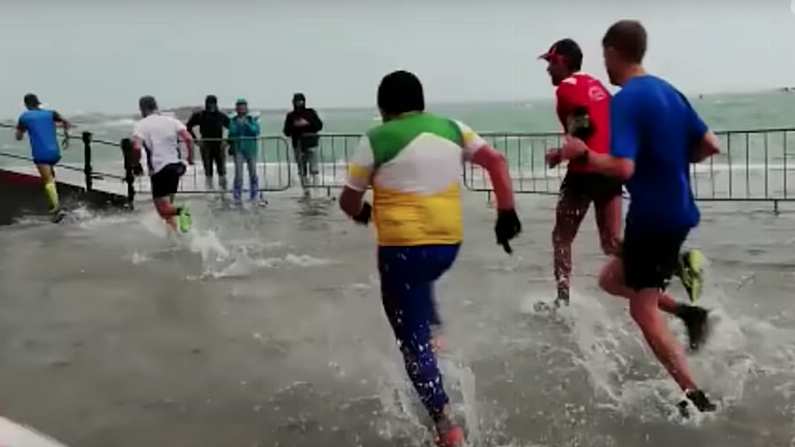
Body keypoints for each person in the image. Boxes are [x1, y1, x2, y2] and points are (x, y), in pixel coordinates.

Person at [339, 70, 521, 447]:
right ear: (421, 102)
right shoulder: (454, 127)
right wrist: (506, 214)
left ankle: (445, 424)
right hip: (447, 246)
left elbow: (348, 198)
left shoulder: (377, 137)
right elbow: (498, 163)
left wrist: (361, 213)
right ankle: (435, 336)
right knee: (422, 284)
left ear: (384, 107)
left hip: (402, 250)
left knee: (411, 340)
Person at [559, 20, 720, 413]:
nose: (605, 65)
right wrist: (668, 161)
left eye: (605, 56)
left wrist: (580, 155)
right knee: (610, 278)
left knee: (641, 308)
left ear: (614, 51)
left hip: (654, 217)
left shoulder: (628, 99)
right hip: (678, 211)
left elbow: (622, 168)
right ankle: (689, 312)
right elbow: (709, 145)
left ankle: (695, 397)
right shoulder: (669, 91)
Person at [541, 39, 706, 307]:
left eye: (550, 62)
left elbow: (583, 128)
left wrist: (561, 155)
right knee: (612, 242)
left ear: (562, 62)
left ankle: (562, 300)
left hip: (585, 172)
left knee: (561, 237)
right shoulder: (598, 86)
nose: (548, 69)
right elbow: (605, 124)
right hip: (609, 169)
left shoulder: (566, 90)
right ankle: (678, 263)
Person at [131, 96, 194, 233]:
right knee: (167, 205)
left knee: (163, 210)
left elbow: (136, 147)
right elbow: (189, 139)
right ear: (156, 106)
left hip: (160, 170)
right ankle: (174, 235)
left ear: (142, 109)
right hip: (177, 167)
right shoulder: (171, 121)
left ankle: (182, 211)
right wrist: (190, 158)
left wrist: (135, 164)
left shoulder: (141, 125)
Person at [15, 93, 71, 222]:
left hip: (41, 153)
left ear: (26, 104)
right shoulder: (51, 113)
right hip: (55, 152)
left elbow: (18, 137)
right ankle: (54, 202)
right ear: (38, 103)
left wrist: (22, 131)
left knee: (48, 181)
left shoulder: (24, 117)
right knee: (50, 174)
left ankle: (57, 209)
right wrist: (66, 137)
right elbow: (66, 123)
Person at [186, 95, 230, 191]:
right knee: (208, 170)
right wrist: (196, 140)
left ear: (216, 103)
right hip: (205, 145)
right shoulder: (200, 115)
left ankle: (223, 190)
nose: (211, 105)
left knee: (221, 170)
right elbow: (188, 127)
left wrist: (227, 141)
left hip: (219, 144)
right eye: (209, 103)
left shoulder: (221, 116)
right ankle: (210, 191)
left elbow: (233, 128)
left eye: (213, 103)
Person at [228, 98, 264, 206]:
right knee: (238, 174)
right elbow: (231, 133)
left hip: (251, 149)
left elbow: (256, 131)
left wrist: (247, 124)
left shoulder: (252, 119)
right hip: (238, 149)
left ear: (246, 108)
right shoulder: (233, 120)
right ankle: (237, 196)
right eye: (239, 106)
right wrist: (239, 125)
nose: (241, 108)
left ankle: (254, 195)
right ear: (236, 108)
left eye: (243, 106)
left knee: (253, 173)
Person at [283, 93, 323, 190]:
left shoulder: (311, 112)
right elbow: (286, 131)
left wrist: (307, 124)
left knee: (314, 169)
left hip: (312, 144)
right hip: (298, 145)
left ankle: (317, 189)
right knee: (302, 170)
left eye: (301, 101)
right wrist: (295, 126)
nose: (299, 103)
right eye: (297, 101)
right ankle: (306, 190)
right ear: (293, 102)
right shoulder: (291, 116)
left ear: (304, 101)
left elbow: (319, 126)